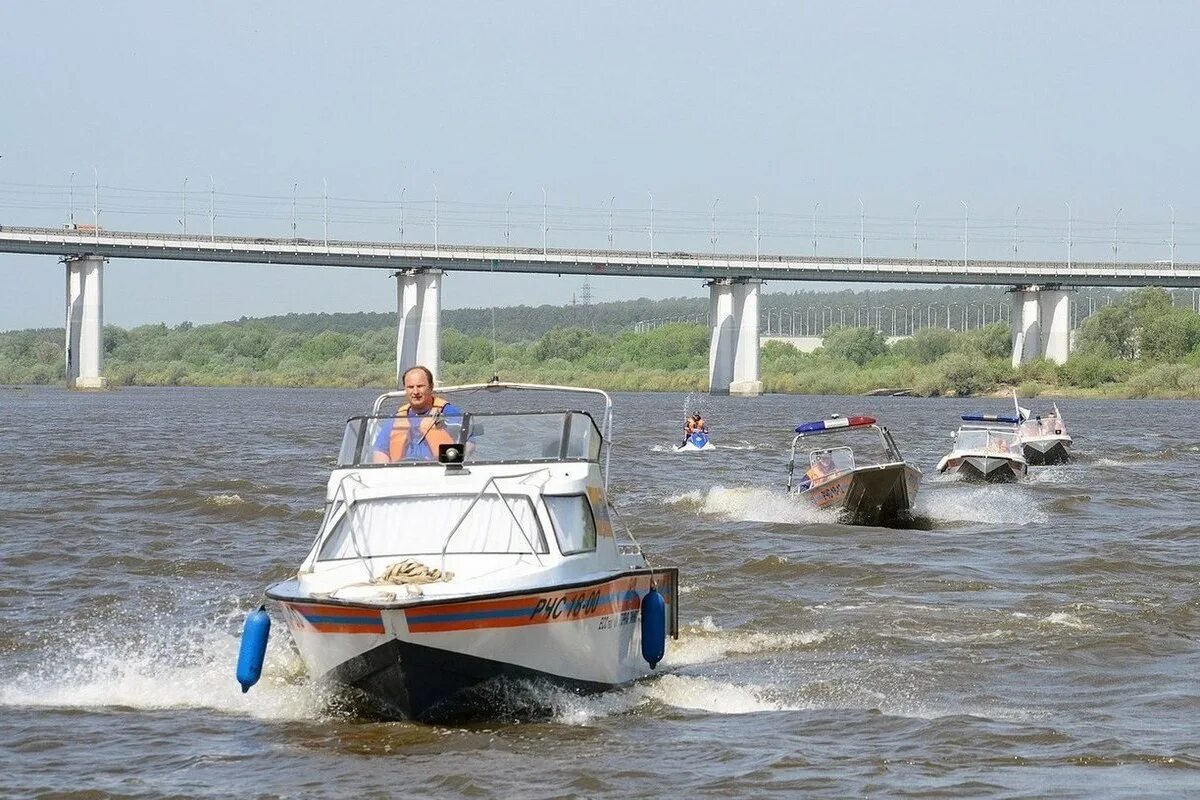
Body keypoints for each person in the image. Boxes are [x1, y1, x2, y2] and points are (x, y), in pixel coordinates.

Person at [372, 365, 466, 463]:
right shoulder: (397, 417)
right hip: (402, 472)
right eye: (411, 387)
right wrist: (387, 472)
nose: (415, 391)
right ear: (405, 389)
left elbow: (469, 445)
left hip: (438, 471)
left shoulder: (450, 413)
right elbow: (380, 451)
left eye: (420, 386)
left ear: (431, 387)